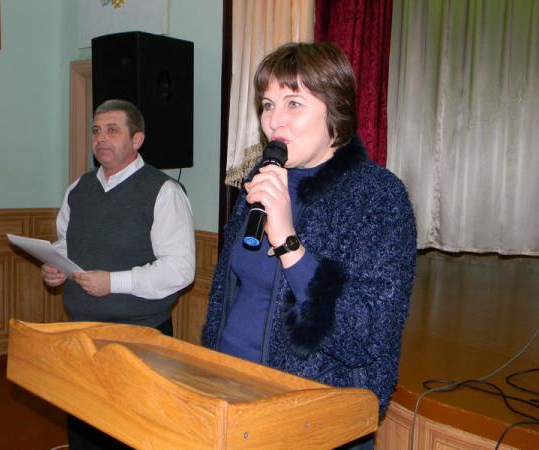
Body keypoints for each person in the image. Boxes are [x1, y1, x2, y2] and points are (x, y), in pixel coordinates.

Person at [202, 42, 416, 449]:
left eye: (294, 103)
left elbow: (365, 336)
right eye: (268, 105)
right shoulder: (262, 180)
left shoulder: (378, 198)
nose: (273, 121)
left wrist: (289, 244)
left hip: (312, 420)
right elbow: (226, 297)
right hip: (231, 397)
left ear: (335, 110)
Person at [42, 99, 195, 450]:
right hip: (81, 334)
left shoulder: (164, 191)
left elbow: (180, 270)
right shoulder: (78, 189)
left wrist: (112, 283)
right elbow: (66, 243)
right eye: (96, 130)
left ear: (137, 140)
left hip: (140, 338)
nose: (100, 138)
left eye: (112, 130)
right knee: (84, 435)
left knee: (132, 435)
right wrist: (55, 266)